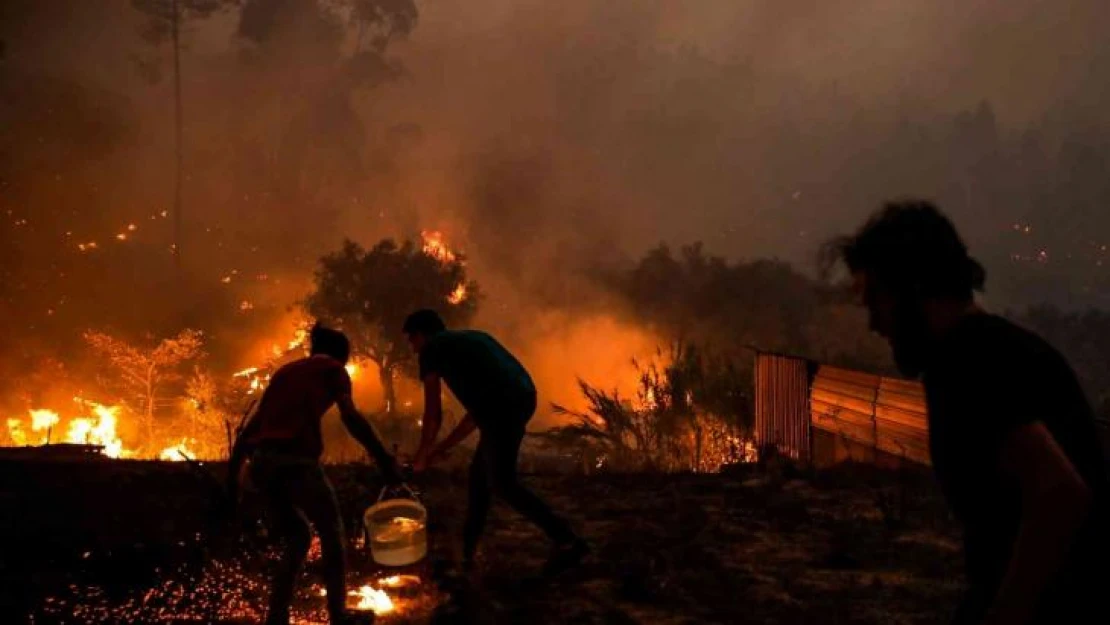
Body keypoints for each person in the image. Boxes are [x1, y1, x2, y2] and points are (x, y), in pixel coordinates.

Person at [829, 201, 1108, 624]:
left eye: (877, 303)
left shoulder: (967, 364)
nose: (874, 324)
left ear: (914, 289)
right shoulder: (1004, 348)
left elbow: (1060, 493)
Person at [228, 323, 401, 625]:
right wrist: (384, 459)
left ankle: (276, 615)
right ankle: (339, 615)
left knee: (297, 538)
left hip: (262, 464)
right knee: (332, 534)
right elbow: (350, 416)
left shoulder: (285, 373)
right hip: (296, 463)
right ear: (341, 356)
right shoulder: (334, 370)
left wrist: (232, 482)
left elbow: (251, 430)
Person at [402, 309, 588, 575]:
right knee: (479, 477)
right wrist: (438, 451)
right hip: (522, 398)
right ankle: (467, 553)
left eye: (411, 341)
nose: (413, 349)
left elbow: (433, 411)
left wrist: (422, 454)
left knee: (503, 482)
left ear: (421, 335)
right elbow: (475, 418)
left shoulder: (432, 349)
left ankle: (567, 540)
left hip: (504, 406)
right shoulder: (470, 339)